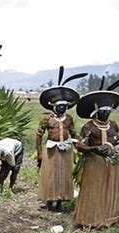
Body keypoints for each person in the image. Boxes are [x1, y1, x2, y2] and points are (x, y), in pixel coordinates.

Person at [74, 77, 119, 228]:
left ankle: (108, 218)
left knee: (110, 188)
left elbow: (116, 141)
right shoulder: (89, 127)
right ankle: (89, 219)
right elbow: (80, 146)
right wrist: (94, 149)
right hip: (94, 163)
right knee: (93, 189)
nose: (106, 114)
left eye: (108, 111)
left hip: (112, 163)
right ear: (96, 112)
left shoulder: (113, 126)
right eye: (103, 111)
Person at [36, 68, 85, 212]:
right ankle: (50, 201)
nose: (62, 108)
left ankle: (60, 201)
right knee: (50, 174)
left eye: (65, 106)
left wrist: (80, 146)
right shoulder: (47, 119)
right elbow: (38, 136)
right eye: (60, 106)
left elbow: (74, 134)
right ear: (54, 106)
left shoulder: (69, 119)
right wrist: (39, 153)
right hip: (51, 150)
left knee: (64, 174)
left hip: (66, 150)